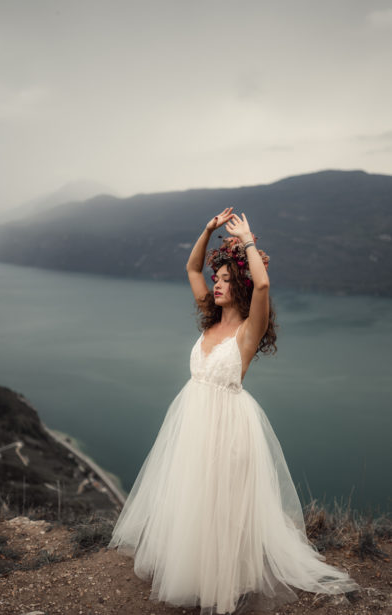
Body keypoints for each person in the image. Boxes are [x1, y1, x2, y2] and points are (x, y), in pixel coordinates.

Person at [107, 208, 361, 614]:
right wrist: (208, 229)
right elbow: (192, 268)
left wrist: (247, 241)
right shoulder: (210, 316)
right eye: (217, 278)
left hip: (230, 427)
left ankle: (226, 585)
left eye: (226, 280)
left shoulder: (248, 329)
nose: (217, 284)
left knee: (224, 508)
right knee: (195, 499)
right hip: (193, 421)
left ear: (238, 285)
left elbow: (264, 284)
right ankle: (196, 573)